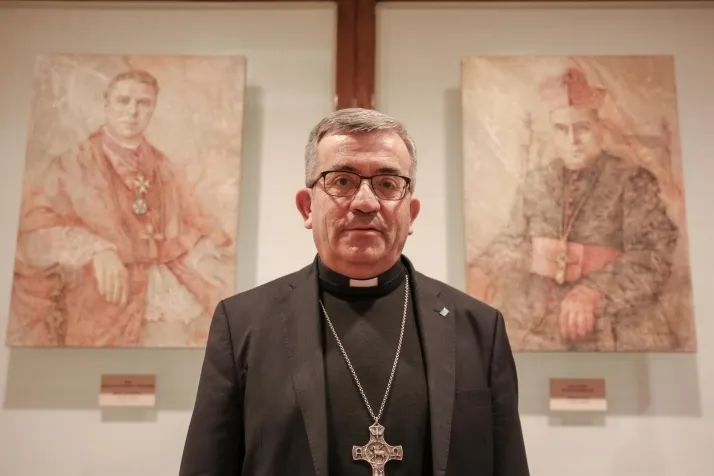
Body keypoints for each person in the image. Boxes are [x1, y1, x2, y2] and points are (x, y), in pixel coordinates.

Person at [179, 108, 530, 476]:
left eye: (387, 184)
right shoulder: (242, 325)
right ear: (306, 207)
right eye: (343, 181)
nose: (365, 202)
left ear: (411, 213)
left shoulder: (479, 329)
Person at [6, 69, 232, 347]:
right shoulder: (71, 163)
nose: (132, 112)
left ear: (153, 109)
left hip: (154, 297)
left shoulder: (165, 168)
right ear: (106, 105)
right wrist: (95, 248)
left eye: (143, 103)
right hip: (93, 300)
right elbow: (32, 233)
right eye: (123, 101)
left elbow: (196, 224)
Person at [466, 67, 681, 352]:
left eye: (582, 128)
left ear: (600, 130)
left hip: (616, 324)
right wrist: (482, 268)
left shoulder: (632, 180)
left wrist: (595, 290)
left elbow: (654, 255)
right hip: (539, 322)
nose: (572, 141)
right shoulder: (537, 181)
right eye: (561, 129)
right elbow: (513, 239)